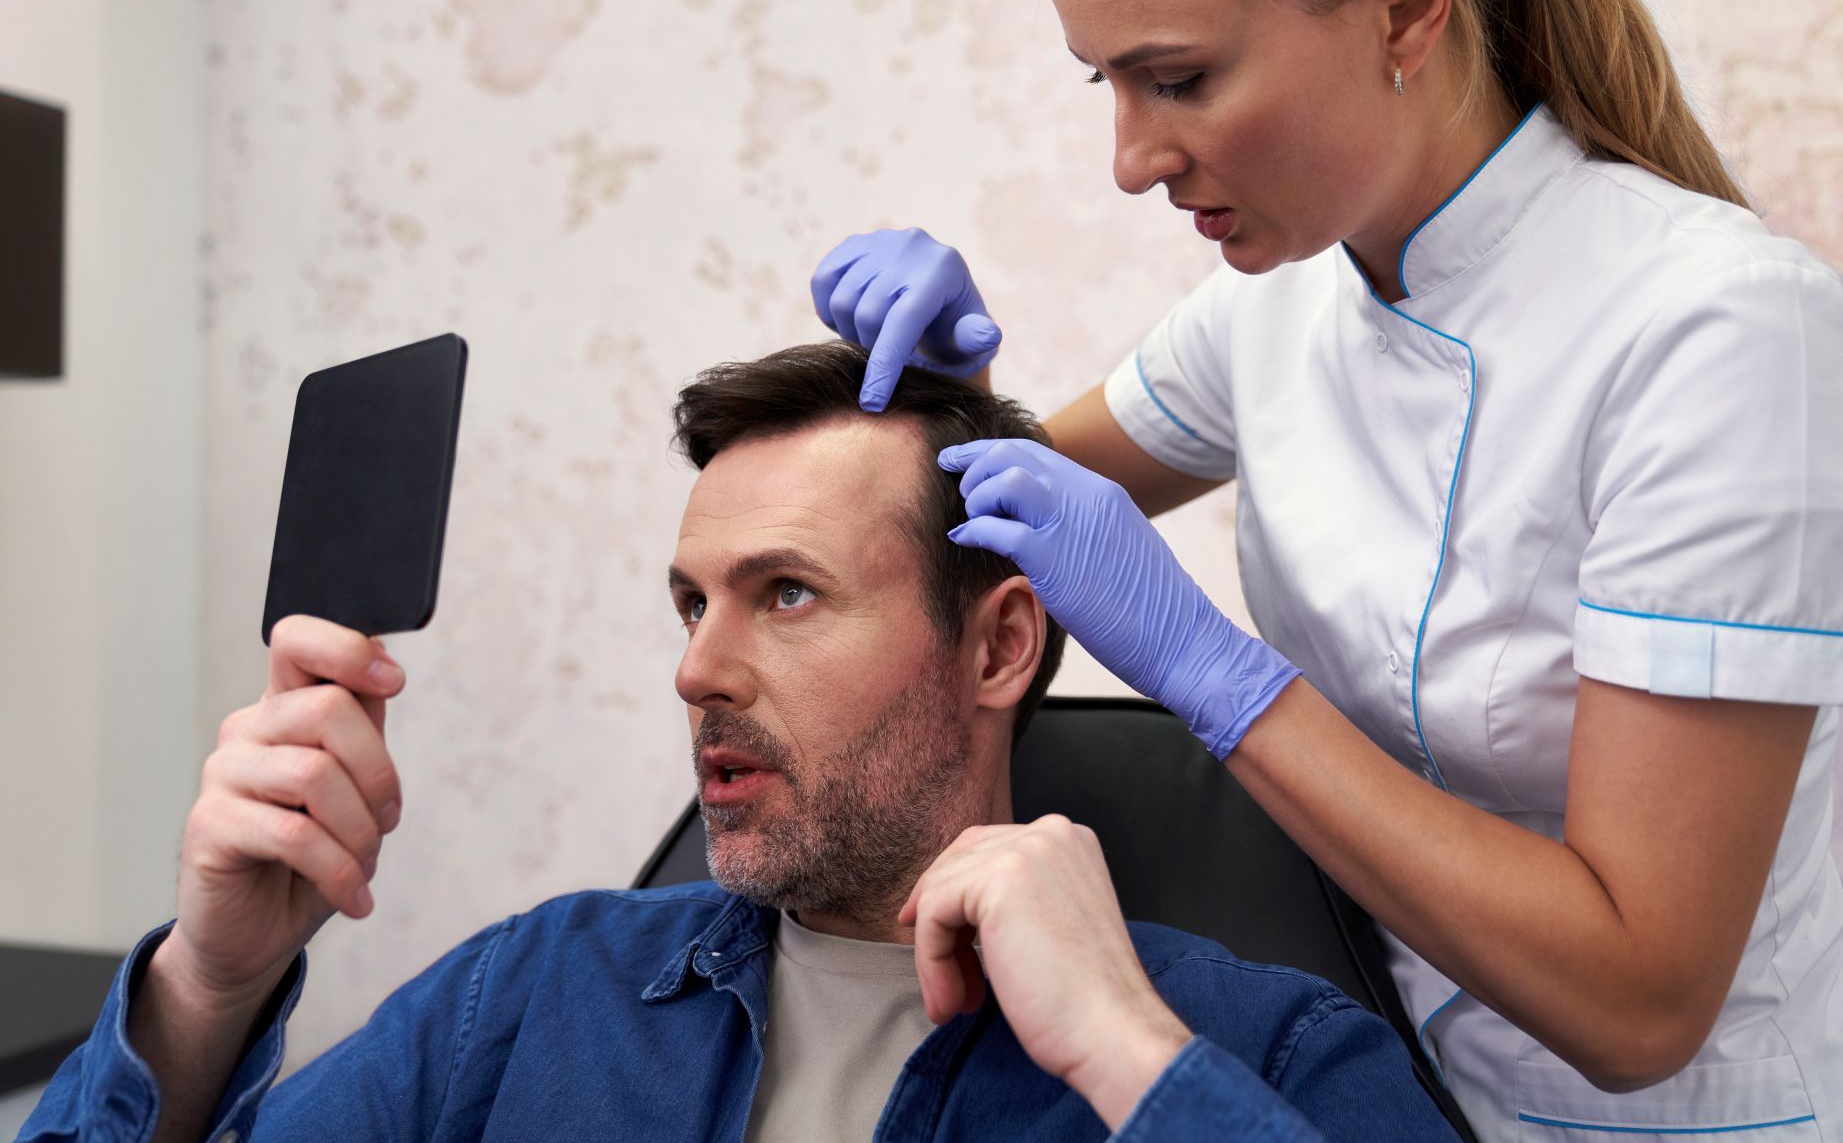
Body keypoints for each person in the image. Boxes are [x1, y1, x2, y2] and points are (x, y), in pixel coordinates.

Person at [808, 0, 1843, 1138]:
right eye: (1109, 83)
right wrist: (950, 392)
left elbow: (1638, 1000)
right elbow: (1000, 507)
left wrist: (1214, 673)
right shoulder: (1291, 293)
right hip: (1381, 1078)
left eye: (1177, 79)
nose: (1131, 159)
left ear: (1405, 7)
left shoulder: (1715, 331)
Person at [23, 343, 1457, 1143]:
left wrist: (1129, 1054)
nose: (696, 668)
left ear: (998, 647)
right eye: (687, 602)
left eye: (784, 593)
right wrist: (209, 985)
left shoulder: (1255, 1046)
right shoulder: (524, 1004)